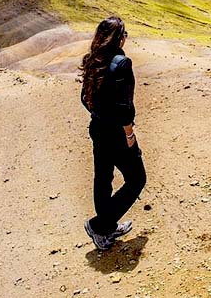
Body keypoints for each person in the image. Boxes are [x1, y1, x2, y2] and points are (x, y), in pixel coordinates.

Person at [80, 16, 146, 250]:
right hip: (117, 133)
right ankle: (100, 225)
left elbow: (84, 98)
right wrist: (129, 134)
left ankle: (106, 228)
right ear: (119, 38)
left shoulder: (92, 60)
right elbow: (125, 107)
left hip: (97, 128)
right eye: (125, 34)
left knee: (103, 178)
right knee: (137, 178)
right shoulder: (122, 63)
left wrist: (99, 115)